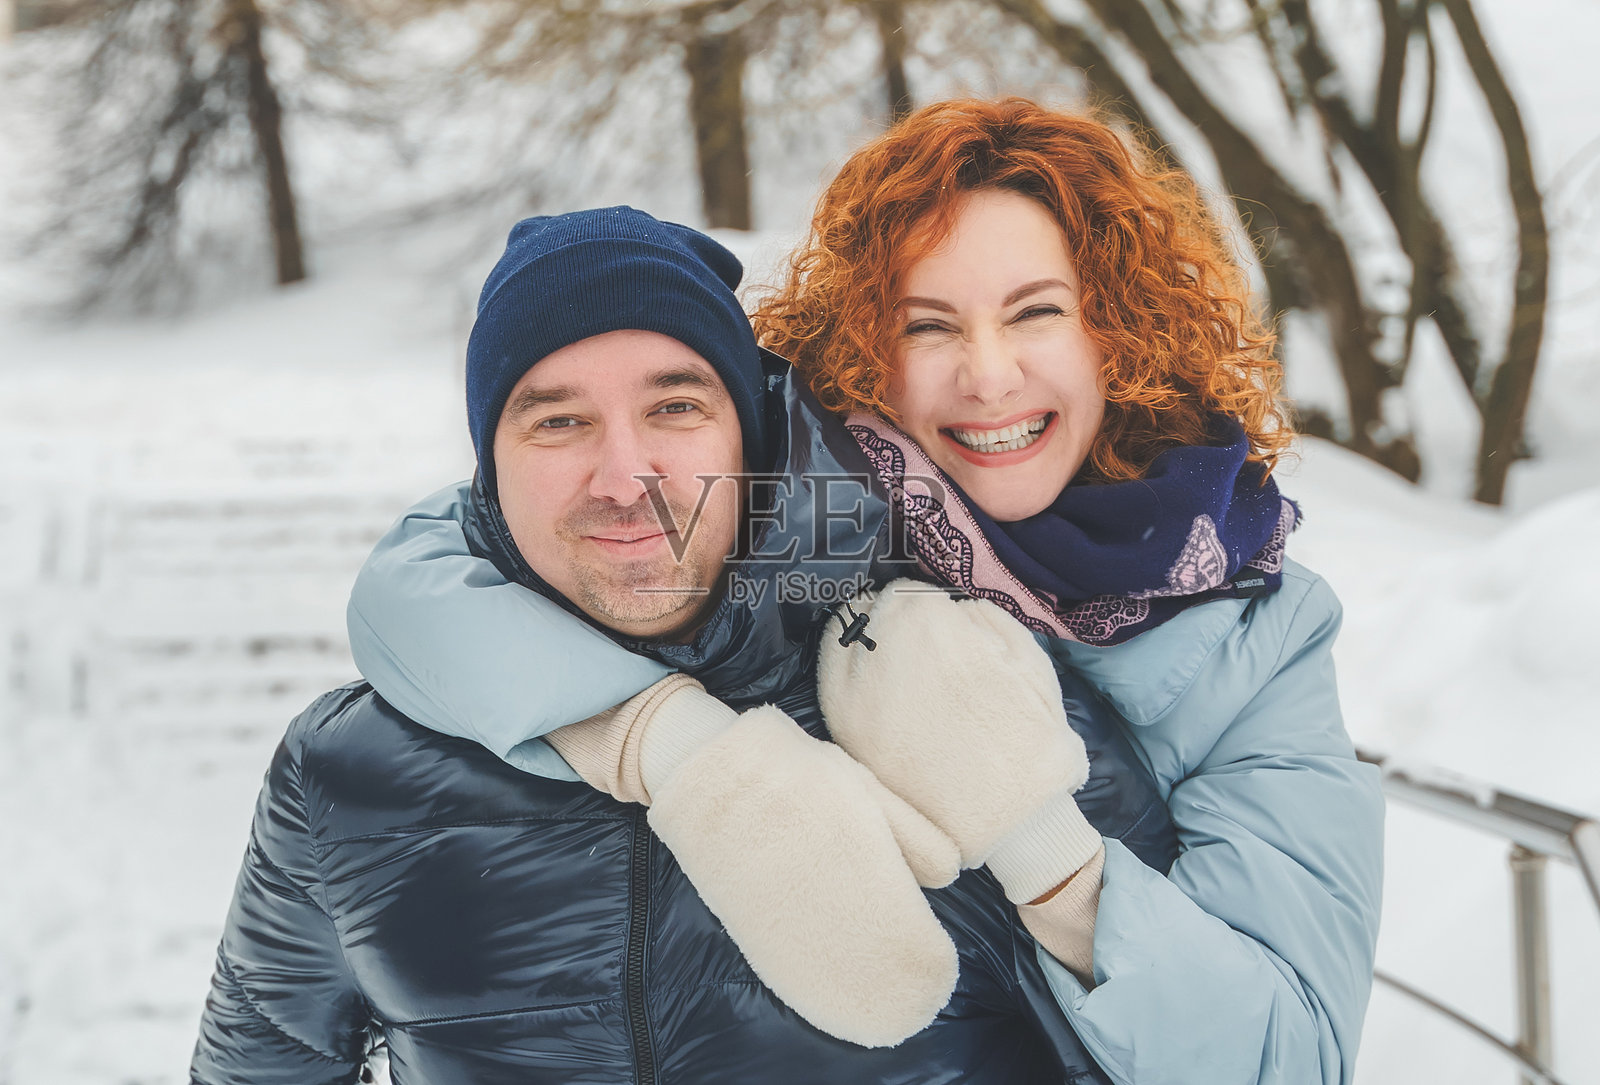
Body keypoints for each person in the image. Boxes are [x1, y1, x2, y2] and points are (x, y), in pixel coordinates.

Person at [342, 98, 1385, 1084]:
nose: (986, 376)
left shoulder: (1258, 632)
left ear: (1113, 329)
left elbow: (1285, 1057)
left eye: (1034, 314)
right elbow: (430, 573)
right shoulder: (799, 504)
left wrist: (1052, 860)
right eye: (928, 325)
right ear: (864, 349)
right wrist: (652, 735)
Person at [191, 205, 1172, 1085]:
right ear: (489, 467)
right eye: (559, 421)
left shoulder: (971, 707)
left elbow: (1185, 1043)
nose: (625, 475)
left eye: (674, 408)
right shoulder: (348, 772)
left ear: (747, 433)